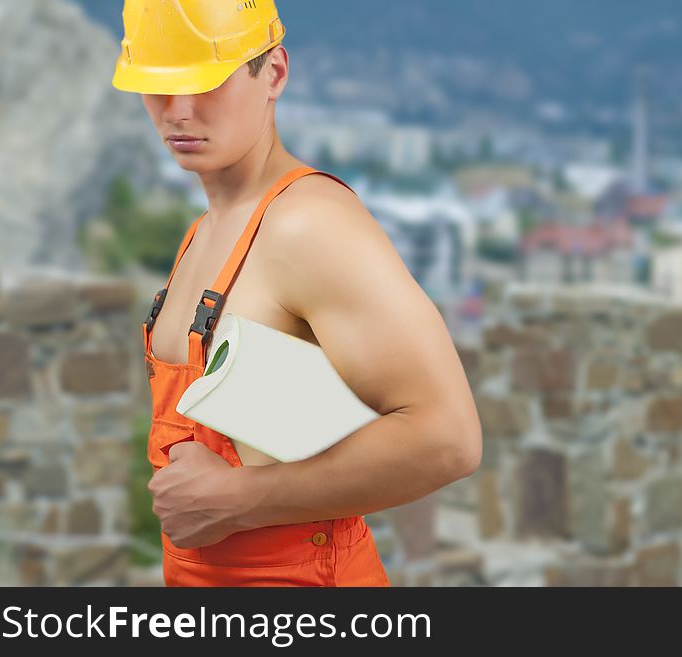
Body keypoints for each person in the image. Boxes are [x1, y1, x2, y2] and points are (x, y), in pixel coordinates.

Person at [111, 0, 482, 587]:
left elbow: (449, 440)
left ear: (275, 73)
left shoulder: (308, 225)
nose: (178, 111)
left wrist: (239, 498)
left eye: (208, 82)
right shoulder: (204, 231)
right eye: (160, 85)